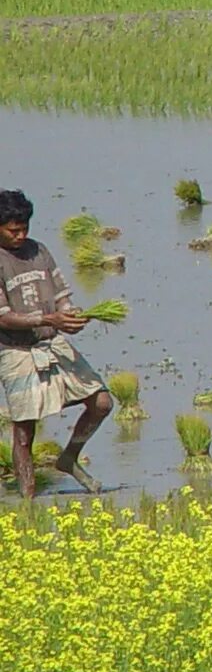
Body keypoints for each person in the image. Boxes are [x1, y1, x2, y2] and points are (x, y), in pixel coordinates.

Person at [0, 189, 113, 499]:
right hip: (16, 351)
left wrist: (70, 315)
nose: (21, 235)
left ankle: (69, 457)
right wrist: (50, 320)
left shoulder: (40, 251)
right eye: (13, 230)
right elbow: (4, 318)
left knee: (101, 402)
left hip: (52, 343)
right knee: (24, 431)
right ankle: (28, 500)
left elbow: (62, 295)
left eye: (24, 228)